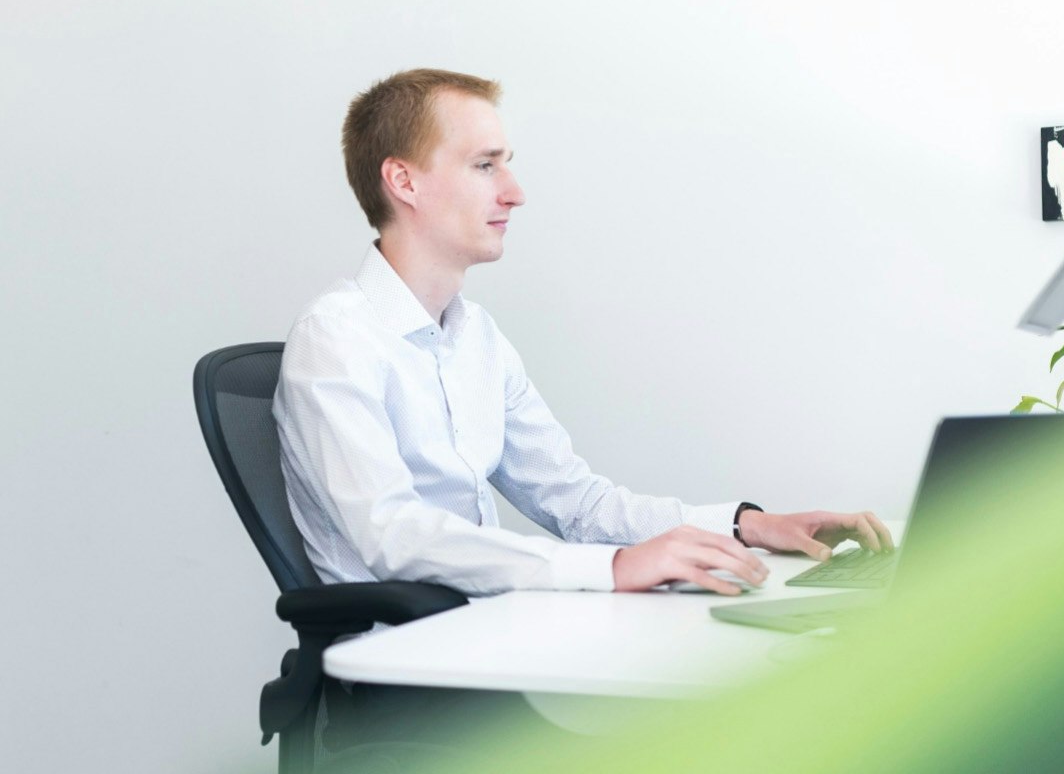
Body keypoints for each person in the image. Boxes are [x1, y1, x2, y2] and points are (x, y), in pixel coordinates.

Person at [274, 68, 891, 600]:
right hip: (404, 672)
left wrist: (747, 525)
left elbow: (576, 502)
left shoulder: (475, 338)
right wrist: (617, 568)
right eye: (485, 165)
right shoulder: (336, 339)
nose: (514, 194)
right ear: (404, 182)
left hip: (491, 634)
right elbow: (393, 536)